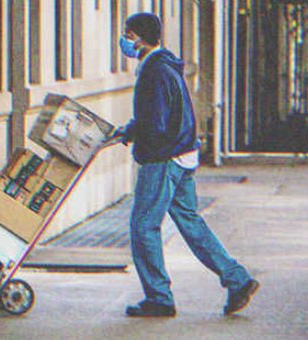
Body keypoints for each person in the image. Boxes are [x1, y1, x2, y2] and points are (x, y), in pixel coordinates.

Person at [114, 12, 259, 317]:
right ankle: (237, 278)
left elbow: (155, 123)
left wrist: (134, 133)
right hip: (183, 155)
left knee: (143, 226)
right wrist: (131, 129)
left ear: (139, 38)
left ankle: (159, 297)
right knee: (190, 223)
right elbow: (161, 115)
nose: (125, 40)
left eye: (128, 34)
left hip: (163, 158)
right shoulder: (167, 65)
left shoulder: (153, 71)